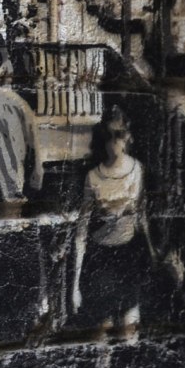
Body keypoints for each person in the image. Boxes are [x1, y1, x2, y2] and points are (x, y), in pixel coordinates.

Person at [71, 105, 156, 329]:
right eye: (109, 136)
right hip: (101, 260)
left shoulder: (137, 170)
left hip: (128, 257)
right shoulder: (92, 177)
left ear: (128, 137)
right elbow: (81, 231)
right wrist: (74, 286)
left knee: (130, 330)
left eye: (119, 135)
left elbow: (142, 216)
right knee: (104, 333)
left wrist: (151, 254)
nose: (114, 142)